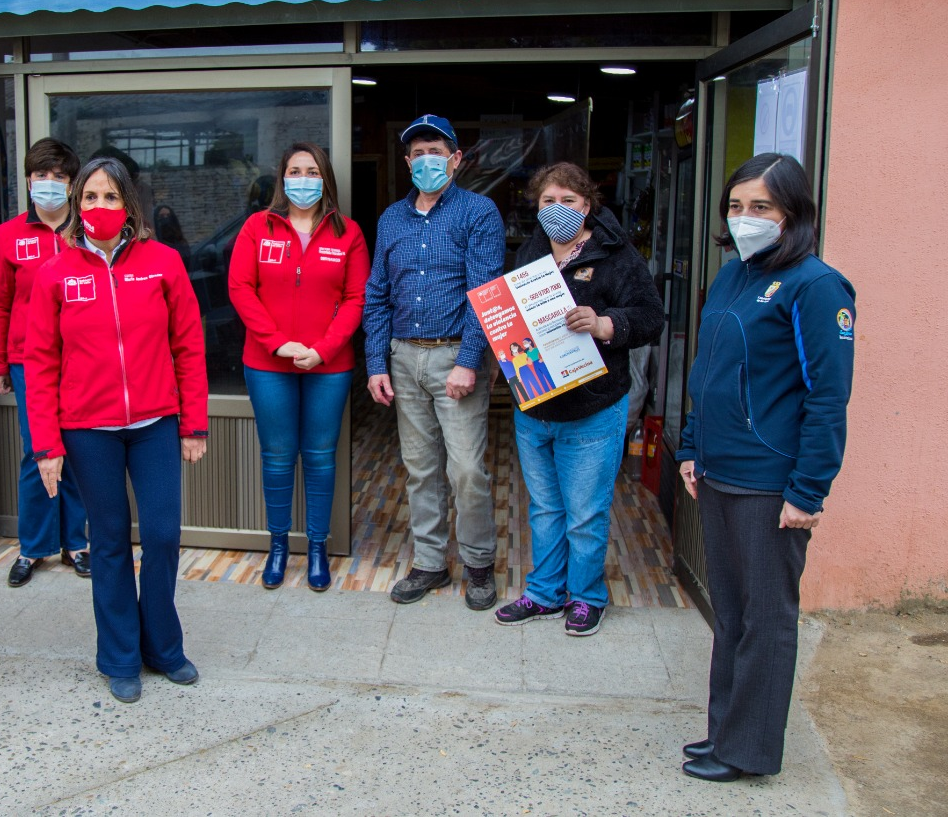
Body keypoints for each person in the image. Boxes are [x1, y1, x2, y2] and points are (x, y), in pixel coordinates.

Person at [676, 153, 855, 782]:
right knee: (731, 615)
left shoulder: (817, 286)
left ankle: (748, 753)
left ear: (793, 213)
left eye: (761, 207)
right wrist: (691, 448)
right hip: (718, 472)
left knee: (767, 621)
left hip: (769, 483)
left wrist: (808, 490)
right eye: (735, 206)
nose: (744, 217)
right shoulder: (733, 276)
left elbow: (828, 398)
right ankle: (724, 733)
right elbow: (708, 371)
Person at [25, 157, 208, 704]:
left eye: (110, 197)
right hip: (88, 430)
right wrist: (46, 446)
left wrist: (194, 423)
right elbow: (40, 363)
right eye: (90, 197)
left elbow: (188, 345)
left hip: (155, 424)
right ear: (76, 204)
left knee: (162, 535)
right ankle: (120, 656)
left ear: (129, 204)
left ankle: (163, 647)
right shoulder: (55, 273)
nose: (99, 206)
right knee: (107, 542)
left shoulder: (163, 262)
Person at [493, 162, 663, 637]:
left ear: (587, 205)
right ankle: (545, 592)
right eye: (548, 201)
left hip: (593, 406)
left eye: (568, 200)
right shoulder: (530, 251)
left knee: (585, 513)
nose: (558, 209)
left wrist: (606, 324)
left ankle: (586, 597)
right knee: (545, 509)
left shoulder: (616, 254)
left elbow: (651, 316)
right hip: (536, 406)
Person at [363, 115, 505, 610]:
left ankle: (479, 563)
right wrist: (376, 363)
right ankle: (429, 562)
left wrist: (468, 360)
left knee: (465, 469)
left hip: (454, 355)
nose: (427, 160)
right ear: (407, 162)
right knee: (420, 468)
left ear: (456, 159)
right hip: (403, 356)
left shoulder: (478, 212)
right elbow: (377, 294)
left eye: (436, 152)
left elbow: (485, 292)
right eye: (418, 153)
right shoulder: (391, 219)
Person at [228, 141, 370, 592]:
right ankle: (277, 546)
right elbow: (240, 288)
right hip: (268, 364)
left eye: (312, 171)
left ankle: (317, 547)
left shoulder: (348, 233)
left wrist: (323, 349)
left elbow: (357, 298)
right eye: (295, 171)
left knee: (321, 457)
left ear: (325, 179)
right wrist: (277, 344)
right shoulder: (258, 227)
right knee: (276, 457)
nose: (303, 179)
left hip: (328, 366)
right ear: (282, 177)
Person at [0, 137, 90, 587]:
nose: (49, 183)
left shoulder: (86, 232)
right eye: (40, 175)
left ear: (72, 183)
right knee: (38, 450)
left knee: (79, 450)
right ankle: (33, 546)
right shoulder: (8, 236)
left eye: (59, 176)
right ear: (28, 180)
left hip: (82, 359)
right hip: (28, 361)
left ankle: (76, 542)